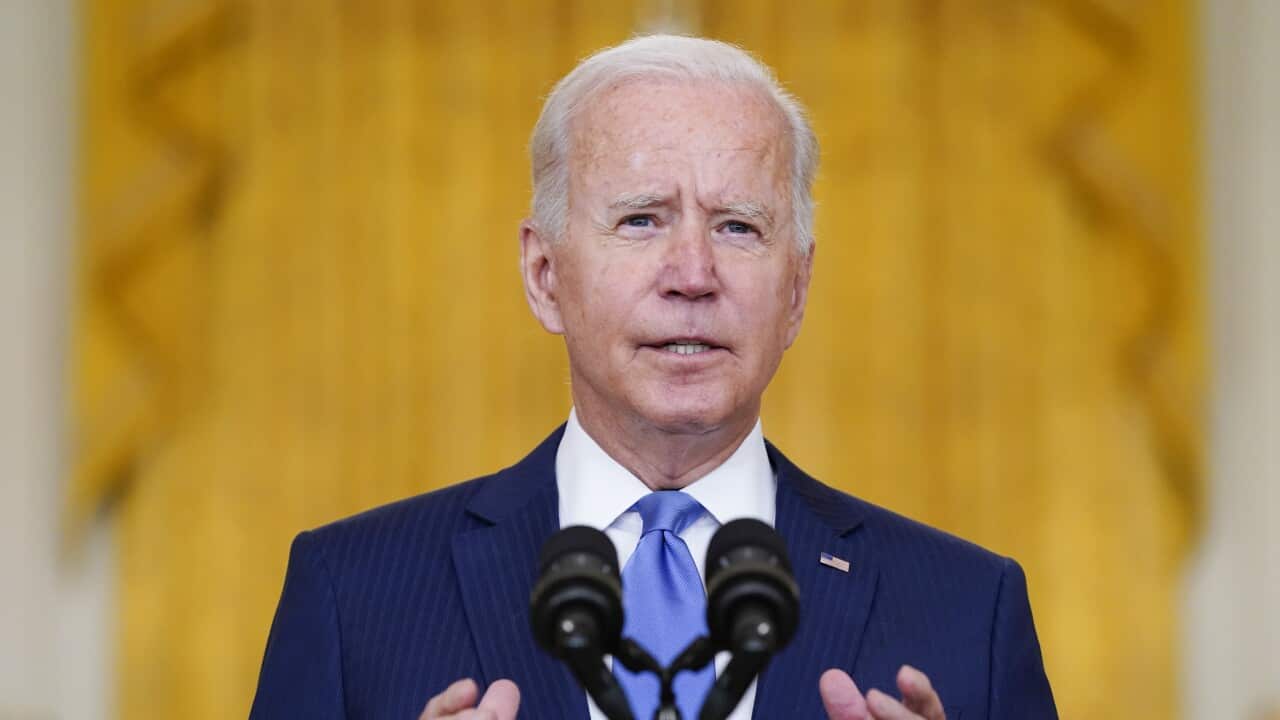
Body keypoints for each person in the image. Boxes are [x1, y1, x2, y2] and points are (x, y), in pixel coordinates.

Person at [249, 35, 1056, 720]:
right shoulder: (352, 594)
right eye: (641, 220)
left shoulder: (968, 610)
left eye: (738, 227)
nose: (693, 275)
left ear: (797, 290)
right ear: (543, 274)